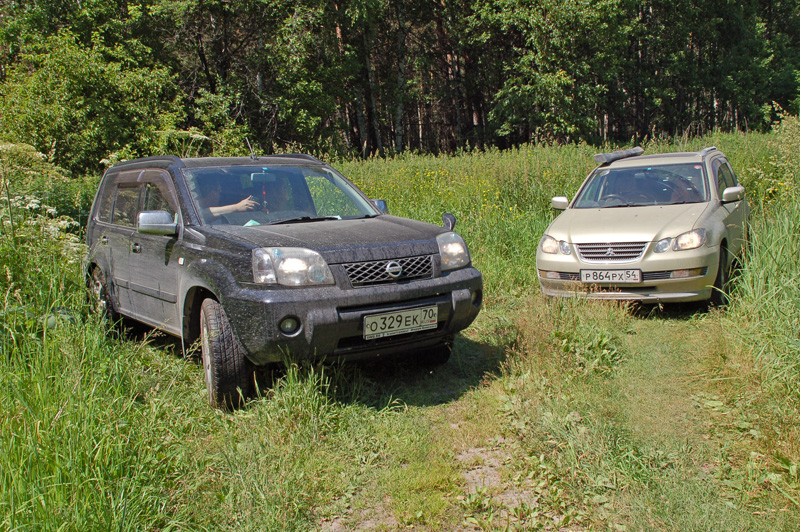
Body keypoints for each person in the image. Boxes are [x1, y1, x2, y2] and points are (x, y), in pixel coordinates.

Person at [195, 179, 260, 222]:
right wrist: (237, 207)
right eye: (219, 192)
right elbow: (201, 215)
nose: (220, 196)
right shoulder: (193, 210)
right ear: (213, 193)